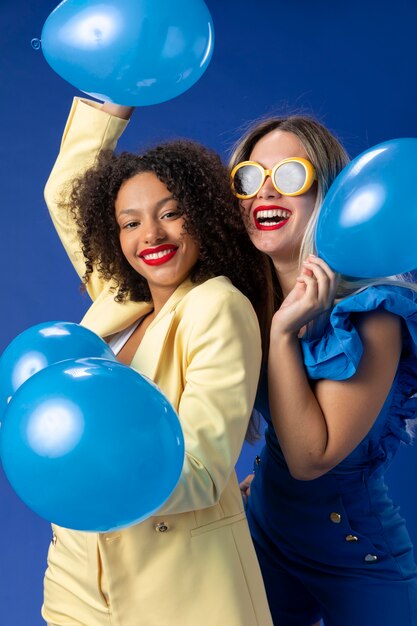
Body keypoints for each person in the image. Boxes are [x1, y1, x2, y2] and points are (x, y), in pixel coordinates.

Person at [41, 96, 274, 626]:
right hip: (78, 574)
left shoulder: (217, 305)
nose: (151, 235)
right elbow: (65, 193)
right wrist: (114, 95)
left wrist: (86, 471)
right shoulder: (118, 297)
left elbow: (203, 471)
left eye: (170, 213)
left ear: (204, 218)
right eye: (130, 222)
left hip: (177, 583)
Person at [230, 116, 417, 626]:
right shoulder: (242, 295)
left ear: (331, 194)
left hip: (355, 555)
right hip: (264, 534)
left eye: (290, 176)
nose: (266, 193)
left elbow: (311, 459)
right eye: (249, 177)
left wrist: (285, 335)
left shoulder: (373, 313)